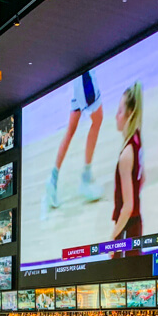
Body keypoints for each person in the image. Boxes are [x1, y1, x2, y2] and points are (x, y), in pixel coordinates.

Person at [42, 70, 105, 217]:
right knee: (98, 120)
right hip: (84, 76)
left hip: (79, 77)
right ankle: (86, 178)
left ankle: (53, 180)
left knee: (71, 129)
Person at [112, 82, 144, 243]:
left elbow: (128, 206)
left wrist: (113, 238)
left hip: (126, 226)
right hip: (136, 222)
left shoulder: (126, 155)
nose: (116, 116)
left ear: (129, 114)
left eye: (119, 112)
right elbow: (142, 178)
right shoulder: (138, 138)